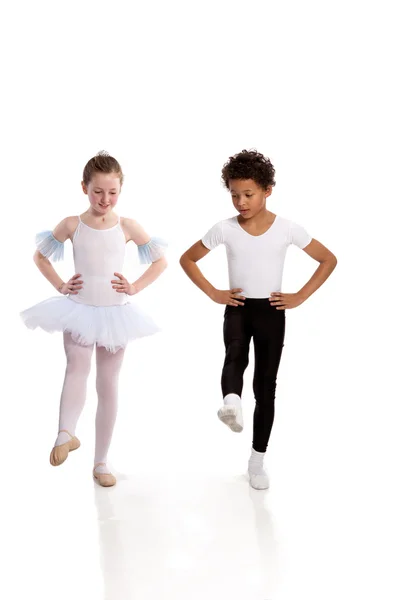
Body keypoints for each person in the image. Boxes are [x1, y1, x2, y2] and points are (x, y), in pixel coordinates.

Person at [180, 149, 337, 490]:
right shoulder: (224, 229)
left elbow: (327, 259)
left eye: (248, 194)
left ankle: (256, 460)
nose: (240, 202)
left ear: (267, 190)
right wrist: (214, 292)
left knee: (265, 386)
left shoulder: (287, 229)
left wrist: (299, 296)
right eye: (234, 194)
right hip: (237, 306)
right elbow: (188, 259)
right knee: (234, 354)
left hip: (271, 311)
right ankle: (231, 404)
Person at [21, 151, 167, 486]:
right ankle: (64, 433)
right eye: (97, 191)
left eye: (112, 192)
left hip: (116, 313)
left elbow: (160, 262)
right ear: (84, 187)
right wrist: (60, 284)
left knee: (108, 383)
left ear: (120, 191)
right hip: (79, 309)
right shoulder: (72, 224)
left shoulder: (128, 226)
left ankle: (101, 462)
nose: (105, 199)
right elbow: (40, 256)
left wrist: (134, 287)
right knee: (76, 366)